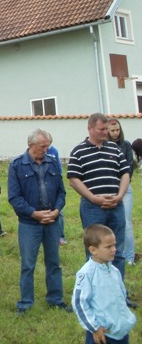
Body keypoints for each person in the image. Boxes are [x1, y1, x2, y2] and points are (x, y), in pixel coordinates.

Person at [67, 113, 131, 305]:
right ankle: (97, 295)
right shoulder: (78, 151)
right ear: (90, 128)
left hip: (115, 206)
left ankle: (119, 294)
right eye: (101, 130)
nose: (105, 133)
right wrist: (93, 198)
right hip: (92, 208)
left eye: (107, 129)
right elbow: (74, 179)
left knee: (117, 250)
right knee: (94, 252)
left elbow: (125, 173)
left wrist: (119, 196)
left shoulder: (115, 148)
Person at [8, 129, 69, 314]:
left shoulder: (52, 163)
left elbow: (61, 192)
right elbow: (14, 197)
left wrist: (57, 211)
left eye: (48, 146)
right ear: (31, 145)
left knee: (54, 262)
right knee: (28, 264)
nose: (46, 149)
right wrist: (34, 213)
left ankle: (56, 299)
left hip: (52, 221)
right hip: (29, 224)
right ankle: (26, 302)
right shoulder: (17, 166)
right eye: (43, 146)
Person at [72, 224, 136, 344]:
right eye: (108, 247)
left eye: (114, 245)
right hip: (102, 334)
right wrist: (94, 327)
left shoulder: (114, 271)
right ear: (93, 250)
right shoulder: (86, 274)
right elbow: (79, 303)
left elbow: (121, 296)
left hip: (119, 331)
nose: (114, 249)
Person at [107, 119, 135, 266]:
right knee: (111, 223)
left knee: (127, 223)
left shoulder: (126, 145)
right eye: (112, 130)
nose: (116, 133)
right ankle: (113, 254)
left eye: (117, 130)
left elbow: (130, 167)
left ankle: (129, 257)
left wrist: (122, 187)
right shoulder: (104, 146)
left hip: (125, 189)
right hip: (108, 189)